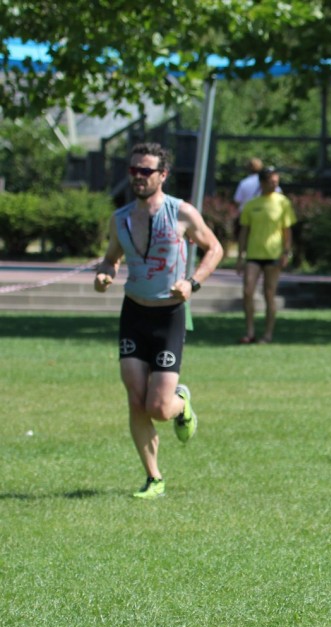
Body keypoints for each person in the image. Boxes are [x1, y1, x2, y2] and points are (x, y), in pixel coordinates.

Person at [94, 142, 224, 499]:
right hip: (134, 313)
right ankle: (154, 478)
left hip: (169, 315)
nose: (138, 176)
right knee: (135, 399)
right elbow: (110, 259)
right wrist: (104, 274)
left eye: (145, 171)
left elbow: (215, 248)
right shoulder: (119, 219)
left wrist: (192, 282)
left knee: (159, 407)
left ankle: (181, 403)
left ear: (162, 175)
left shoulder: (181, 213)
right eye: (133, 170)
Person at [236, 166, 296, 344]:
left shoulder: (283, 202)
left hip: (274, 254)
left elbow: (287, 230)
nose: (274, 184)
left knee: (269, 293)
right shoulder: (251, 204)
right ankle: (250, 331)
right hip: (254, 254)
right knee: (247, 291)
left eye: (276, 182)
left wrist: (286, 252)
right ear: (262, 183)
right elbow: (244, 232)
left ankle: (268, 334)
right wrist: (240, 256)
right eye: (271, 181)